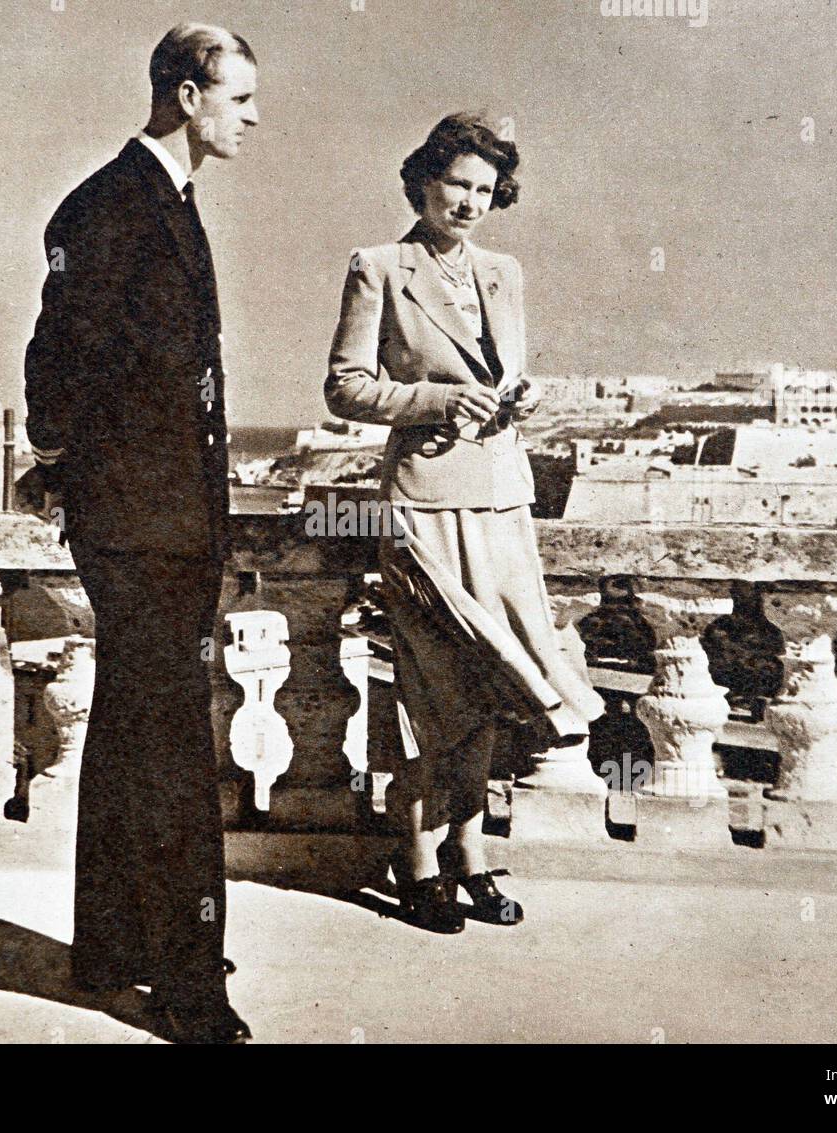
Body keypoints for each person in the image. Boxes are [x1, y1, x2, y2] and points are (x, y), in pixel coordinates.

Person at [23, 23, 258, 1043]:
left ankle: (111, 944)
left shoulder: (166, 200)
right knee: (170, 746)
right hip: (137, 526)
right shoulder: (110, 205)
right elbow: (54, 354)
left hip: (165, 519)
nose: (251, 117)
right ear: (186, 93)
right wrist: (73, 468)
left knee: (130, 724)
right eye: (239, 97)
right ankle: (190, 981)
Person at [325, 113, 602, 934]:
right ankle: (419, 865)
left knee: (494, 683)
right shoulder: (378, 268)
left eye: (487, 191)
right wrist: (437, 400)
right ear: (423, 182)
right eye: (459, 186)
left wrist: (523, 396)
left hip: (501, 500)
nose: (472, 203)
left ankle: (471, 857)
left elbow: (504, 371)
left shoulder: (505, 273)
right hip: (424, 504)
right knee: (436, 686)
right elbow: (343, 387)